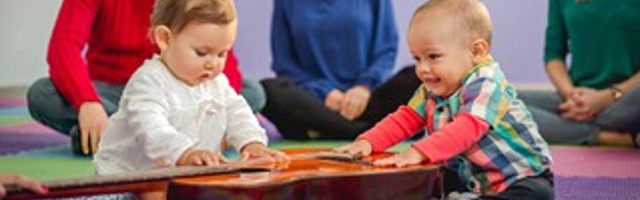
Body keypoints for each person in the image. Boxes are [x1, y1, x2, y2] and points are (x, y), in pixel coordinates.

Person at [336, 0, 553, 199]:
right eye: (417, 58)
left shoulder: (487, 82)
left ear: (476, 51)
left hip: (521, 179)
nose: (422, 68)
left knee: (535, 195)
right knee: (422, 178)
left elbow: (467, 128)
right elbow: (405, 118)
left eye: (433, 56)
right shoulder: (431, 88)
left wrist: (420, 151)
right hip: (471, 176)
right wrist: (368, 141)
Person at [26, 0, 265, 156]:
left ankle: (113, 137)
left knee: (251, 92)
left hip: (178, 87)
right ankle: (131, 131)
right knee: (42, 94)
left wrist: (219, 115)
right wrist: (88, 103)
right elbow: (63, 47)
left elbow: (222, 58)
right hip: (112, 92)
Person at [94, 0, 288, 176]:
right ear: (165, 39)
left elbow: (237, 111)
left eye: (222, 54)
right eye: (202, 53)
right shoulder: (149, 81)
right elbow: (151, 129)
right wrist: (183, 152)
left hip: (180, 174)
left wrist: (251, 142)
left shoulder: (216, 81)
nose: (213, 64)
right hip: (125, 175)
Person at [261, 0, 421, 140]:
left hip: (368, 100)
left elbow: (386, 50)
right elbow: (284, 64)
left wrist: (363, 87)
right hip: (315, 104)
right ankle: (368, 131)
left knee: (418, 76)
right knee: (268, 91)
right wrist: (325, 93)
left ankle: (330, 130)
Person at [518, 0, 640, 147]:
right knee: (503, 102)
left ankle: (566, 129)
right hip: (578, 98)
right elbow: (553, 56)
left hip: (626, 98)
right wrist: (572, 96)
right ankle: (605, 137)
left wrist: (605, 98)